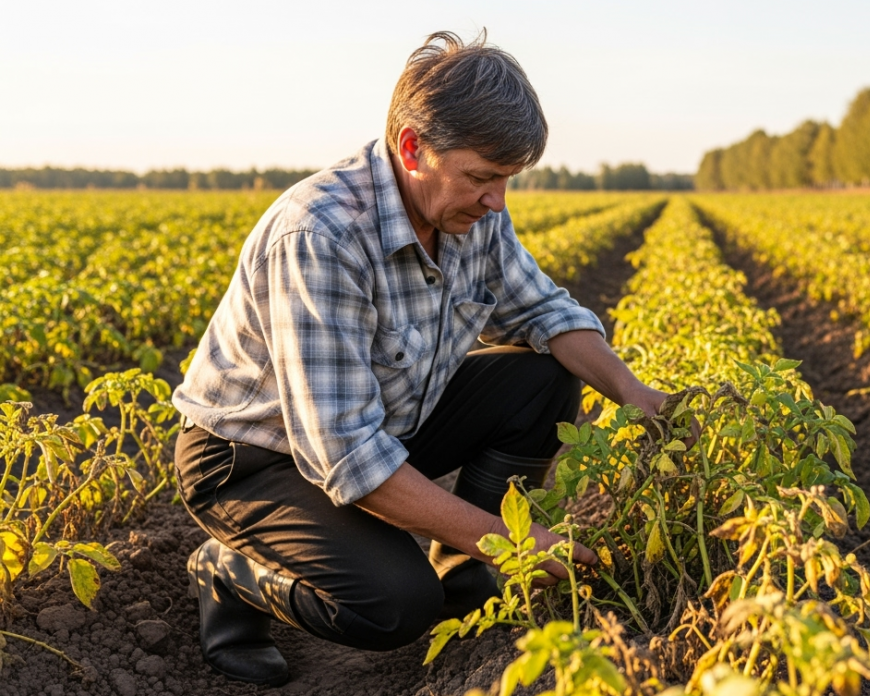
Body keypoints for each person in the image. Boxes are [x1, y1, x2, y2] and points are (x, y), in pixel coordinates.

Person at [171, 31, 670, 686]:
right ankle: (228, 574)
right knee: (393, 605)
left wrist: (639, 395)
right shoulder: (321, 234)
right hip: (255, 459)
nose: (498, 202)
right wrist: (511, 539)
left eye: (507, 180)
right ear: (413, 149)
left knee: (543, 376)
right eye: (482, 178)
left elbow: (544, 312)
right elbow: (344, 455)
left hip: (387, 422)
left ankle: (470, 586)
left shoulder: (471, 214)